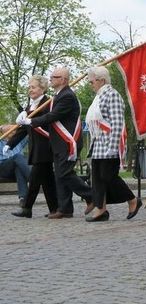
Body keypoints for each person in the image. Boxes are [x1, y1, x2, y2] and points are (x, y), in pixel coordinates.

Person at [17, 67, 93, 219]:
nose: (50, 78)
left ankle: (92, 196)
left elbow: (53, 116)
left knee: (65, 173)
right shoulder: (58, 95)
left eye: (54, 76)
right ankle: (65, 209)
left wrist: (30, 121)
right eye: (51, 76)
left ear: (63, 80)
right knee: (59, 176)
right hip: (58, 143)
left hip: (67, 142)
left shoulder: (67, 96)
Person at [83, 66, 142, 222]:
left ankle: (132, 200)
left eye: (92, 81)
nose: (90, 84)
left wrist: (113, 146)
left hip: (109, 144)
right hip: (98, 145)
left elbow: (117, 123)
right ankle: (101, 209)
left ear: (101, 80)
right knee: (97, 178)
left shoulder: (112, 95)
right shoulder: (98, 97)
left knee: (109, 177)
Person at [7, 75, 58, 218]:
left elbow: (44, 118)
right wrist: (10, 144)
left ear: (42, 88)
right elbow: (23, 129)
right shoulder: (30, 106)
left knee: (35, 178)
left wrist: (28, 115)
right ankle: (55, 208)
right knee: (47, 181)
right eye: (29, 87)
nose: (30, 90)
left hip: (46, 147)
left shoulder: (48, 103)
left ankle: (27, 208)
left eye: (33, 87)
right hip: (35, 148)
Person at [0, 127, 30, 206]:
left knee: (18, 168)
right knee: (18, 156)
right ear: (4, 133)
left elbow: (28, 133)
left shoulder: (19, 141)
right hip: (3, 168)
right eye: (11, 130)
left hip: (16, 167)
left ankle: (23, 198)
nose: (14, 132)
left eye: (14, 130)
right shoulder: (0, 141)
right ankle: (33, 178)